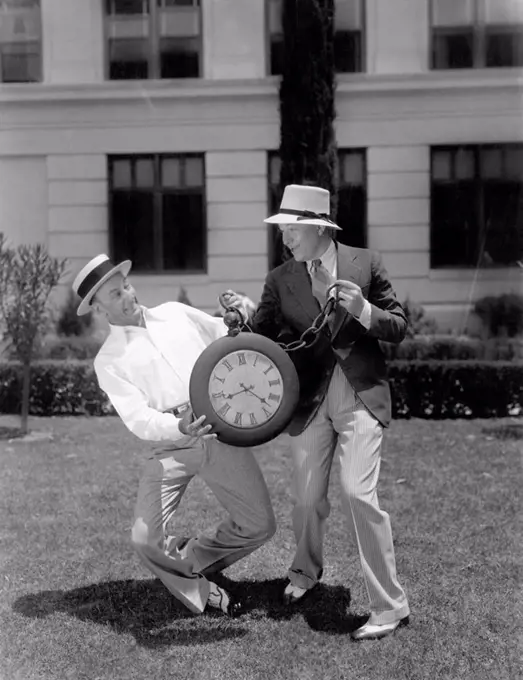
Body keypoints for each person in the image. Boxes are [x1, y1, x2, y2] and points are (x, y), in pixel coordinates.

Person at [225, 184, 410, 640]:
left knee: (357, 493)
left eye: (292, 229)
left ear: (318, 229)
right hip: (307, 401)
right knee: (307, 499)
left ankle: (389, 606)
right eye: (285, 230)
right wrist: (241, 320)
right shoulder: (280, 278)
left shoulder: (365, 263)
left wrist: (364, 309)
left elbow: (400, 326)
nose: (286, 238)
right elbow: (265, 338)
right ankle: (305, 573)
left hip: (360, 395)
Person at [72, 254, 276, 617]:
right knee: (143, 538)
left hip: (215, 430)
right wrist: (178, 427)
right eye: (116, 295)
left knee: (260, 525)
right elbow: (137, 419)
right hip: (168, 445)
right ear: (100, 309)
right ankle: (203, 591)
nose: (127, 295)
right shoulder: (109, 360)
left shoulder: (175, 313)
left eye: (126, 287)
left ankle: (188, 556)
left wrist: (238, 314)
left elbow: (226, 336)